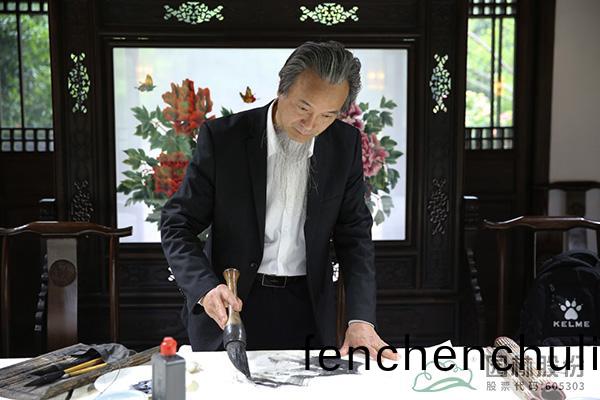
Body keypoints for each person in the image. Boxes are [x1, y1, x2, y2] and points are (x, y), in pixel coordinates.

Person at [160, 41, 397, 360]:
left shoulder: (344, 145)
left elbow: (354, 237)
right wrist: (204, 288)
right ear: (282, 87)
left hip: (308, 309)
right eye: (303, 108)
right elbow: (177, 224)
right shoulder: (225, 139)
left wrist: (361, 320)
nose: (311, 125)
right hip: (231, 305)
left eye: (328, 115)